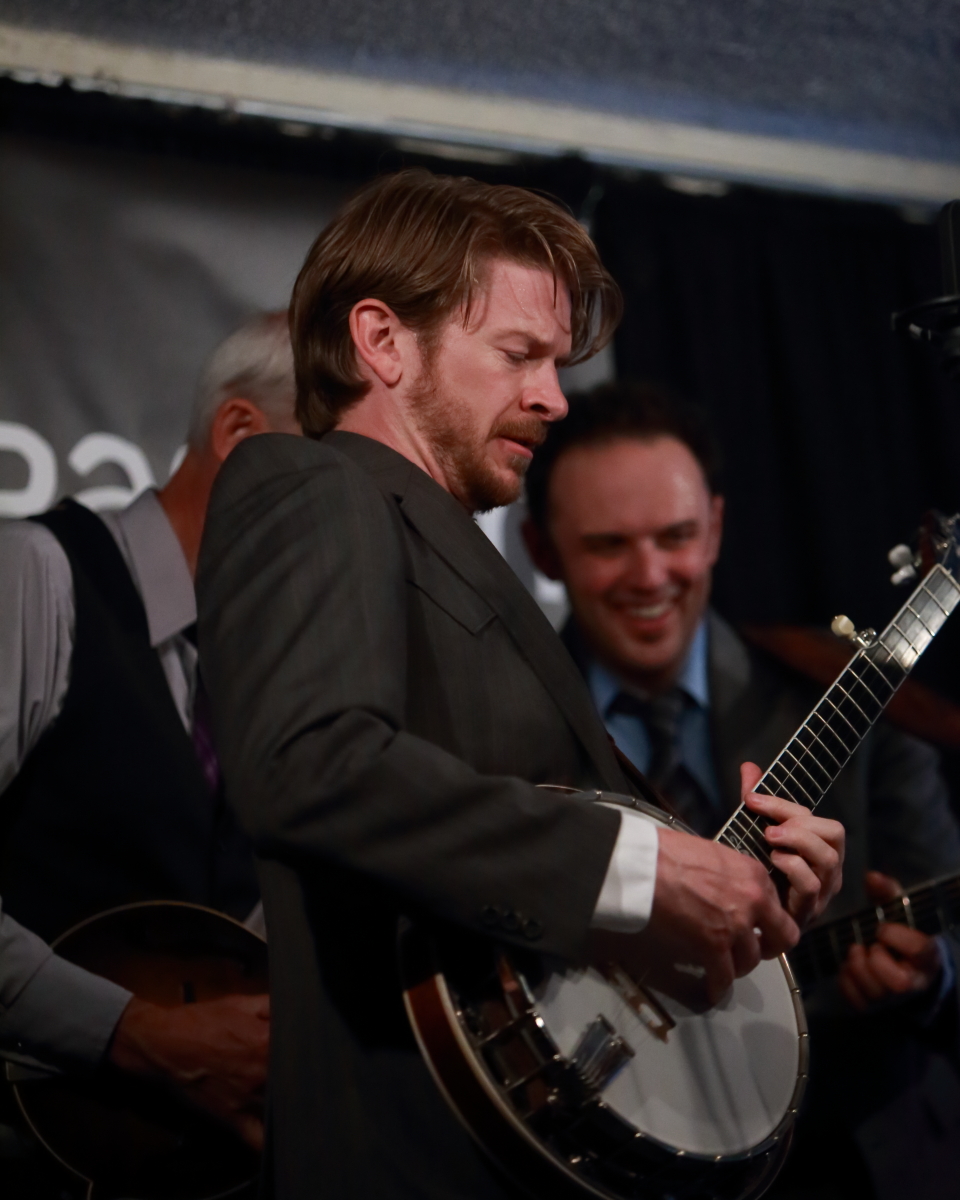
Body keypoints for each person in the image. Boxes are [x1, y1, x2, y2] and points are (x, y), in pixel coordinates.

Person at [196, 169, 844, 1200]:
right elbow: (312, 763)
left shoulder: (452, 553)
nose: (553, 396)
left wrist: (737, 885)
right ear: (383, 341)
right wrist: (647, 870)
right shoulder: (312, 481)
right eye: (517, 355)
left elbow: (540, 849)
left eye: (556, 362)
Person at [521, 380, 960, 1200]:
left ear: (716, 528)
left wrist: (931, 977)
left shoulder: (846, 698)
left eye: (677, 536)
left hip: (854, 1152)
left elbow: (950, 926)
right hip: (605, 1161)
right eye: (609, 545)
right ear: (543, 551)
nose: (650, 575)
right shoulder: (508, 728)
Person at [0, 311, 298, 1164]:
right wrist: (134, 1034)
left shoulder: (279, 667)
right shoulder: (37, 573)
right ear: (241, 434)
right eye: (345, 472)